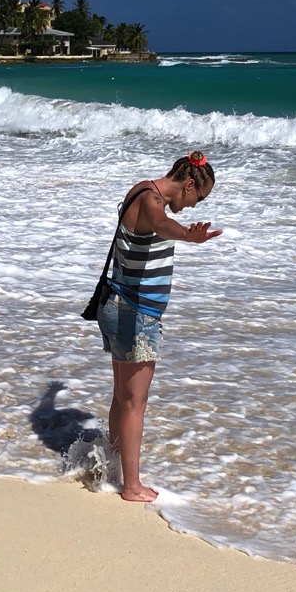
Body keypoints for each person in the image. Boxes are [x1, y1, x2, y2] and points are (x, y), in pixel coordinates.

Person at [97, 150, 222, 502]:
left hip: (118, 305)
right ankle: (131, 486)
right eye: (200, 196)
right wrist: (186, 235)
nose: (197, 205)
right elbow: (158, 223)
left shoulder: (140, 189)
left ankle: (114, 467)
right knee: (135, 402)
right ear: (187, 185)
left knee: (123, 398)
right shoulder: (152, 202)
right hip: (135, 315)